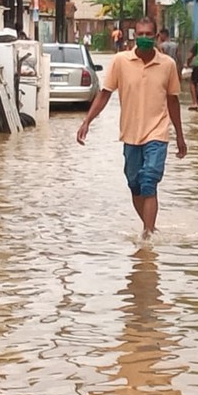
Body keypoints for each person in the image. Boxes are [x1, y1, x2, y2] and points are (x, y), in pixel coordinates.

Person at [77, 17, 187, 240]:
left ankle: (147, 237)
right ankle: (150, 227)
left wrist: (180, 136)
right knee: (134, 184)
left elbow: (173, 101)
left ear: (157, 37)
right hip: (130, 134)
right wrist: (87, 121)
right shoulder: (120, 61)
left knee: (149, 181)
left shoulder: (167, 65)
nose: (144, 38)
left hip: (157, 133)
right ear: (134, 36)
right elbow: (105, 93)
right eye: (141, 34)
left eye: (149, 34)